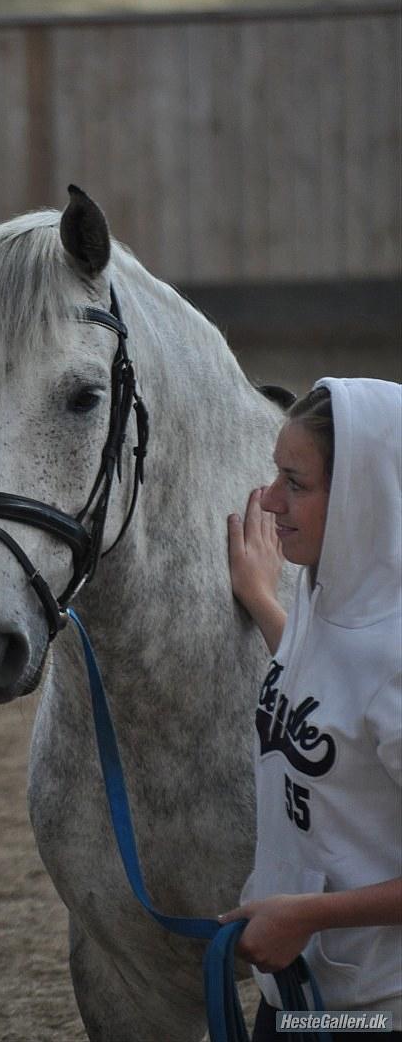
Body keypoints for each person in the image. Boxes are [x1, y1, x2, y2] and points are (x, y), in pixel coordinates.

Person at [221, 378, 402, 1040]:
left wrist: (310, 914)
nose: (269, 500)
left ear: (361, 498)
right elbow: (326, 695)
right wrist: (264, 600)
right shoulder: (328, 599)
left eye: (295, 482)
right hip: (304, 998)